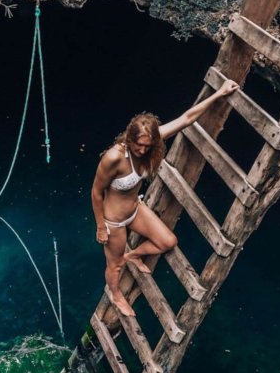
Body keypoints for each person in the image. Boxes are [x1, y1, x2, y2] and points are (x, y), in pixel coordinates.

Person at [91, 79, 239, 318]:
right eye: (138, 146)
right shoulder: (113, 158)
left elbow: (186, 118)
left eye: (147, 146)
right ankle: (115, 294)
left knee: (167, 242)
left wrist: (219, 93)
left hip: (135, 209)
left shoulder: (153, 141)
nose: (142, 151)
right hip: (114, 221)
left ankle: (133, 254)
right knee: (114, 265)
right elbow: (96, 192)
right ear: (129, 139)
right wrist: (101, 227)